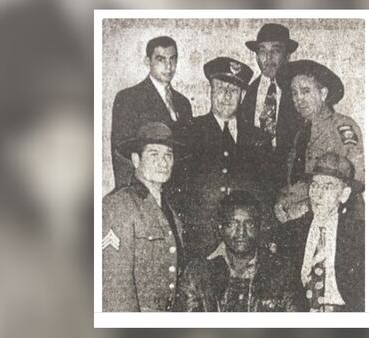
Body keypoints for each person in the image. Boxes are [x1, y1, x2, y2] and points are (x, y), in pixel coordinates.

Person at [180, 57, 273, 256]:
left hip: (246, 246)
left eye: (234, 90)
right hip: (201, 242)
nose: (227, 96)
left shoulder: (259, 139)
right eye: (221, 88)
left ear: (242, 95)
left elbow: (267, 195)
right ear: (210, 91)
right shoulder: (189, 132)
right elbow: (177, 192)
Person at [102, 122, 186, 312]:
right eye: (154, 154)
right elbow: (116, 291)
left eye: (168, 155)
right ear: (136, 160)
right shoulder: (118, 206)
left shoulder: (169, 210)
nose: (163, 163)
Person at [272, 151, 365, 312]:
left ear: (344, 194)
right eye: (314, 185)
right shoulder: (291, 231)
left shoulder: (360, 235)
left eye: (328, 186)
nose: (318, 194)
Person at [274, 59, 365, 223]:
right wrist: (281, 201)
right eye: (294, 93)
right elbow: (296, 181)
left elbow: (357, 180)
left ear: (323, 94)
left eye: (305, 91)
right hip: (303, 220)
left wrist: (307, 207)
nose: (298, 99)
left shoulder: (342, 127)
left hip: (339, 220)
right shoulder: (300, 134)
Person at [176, 190, 298, 312]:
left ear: (259, 226)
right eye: (233, 224)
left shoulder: (282, 272)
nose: (241, 232)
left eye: (249, 224)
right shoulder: (198, 273)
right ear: (220, 227)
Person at [111, 36, 193, 190]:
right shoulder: (129, 98)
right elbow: (121, 156)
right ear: (148, 62)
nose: (169, 66)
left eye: (173, 59)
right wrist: (132, 200)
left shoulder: (184, 103)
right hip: (145, 195)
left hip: (178, 198)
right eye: (161, 59)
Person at [240, 23, 303, 189]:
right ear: (256, 56)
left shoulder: (296, 92)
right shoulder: (247, 92)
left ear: (287, 55)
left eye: (275, 50)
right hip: (254, 181)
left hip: (289, 182)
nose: (268, 58)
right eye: (262, 51)